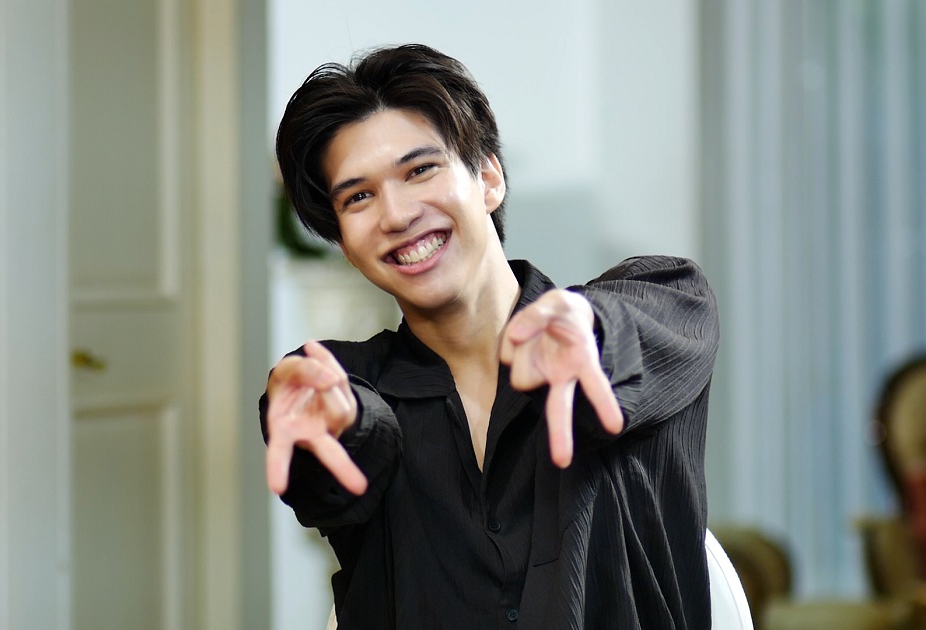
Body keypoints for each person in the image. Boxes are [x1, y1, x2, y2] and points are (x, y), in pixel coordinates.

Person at [260, 43, 720, 629]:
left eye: (420, 170)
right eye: (359, 197)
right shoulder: (343, 386)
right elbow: (351, 455)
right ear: (345, 243)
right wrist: (341, 421)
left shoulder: (665, 300)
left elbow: (636, 335)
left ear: (488, 178)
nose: (396, 215)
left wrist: (592, 331)